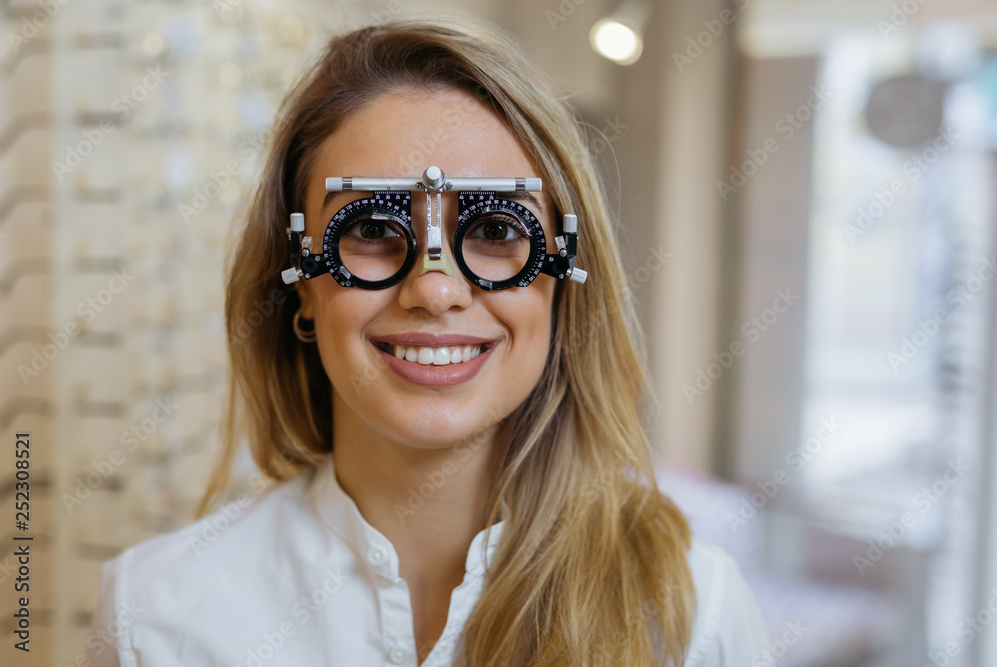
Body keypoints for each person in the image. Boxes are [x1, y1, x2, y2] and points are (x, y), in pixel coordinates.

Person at [84, 16, 771, 667]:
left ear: (562, 278)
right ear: (298, 280)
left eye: (497, 230)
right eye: (375, 229)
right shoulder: (156, 619)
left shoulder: (693, 617)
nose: (436, 289)